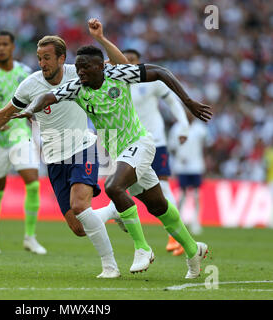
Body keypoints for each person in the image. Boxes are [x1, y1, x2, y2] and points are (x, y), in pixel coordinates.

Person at [13, 45, 212, 279]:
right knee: (159, 206)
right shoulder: (77, 88)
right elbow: (47, 97)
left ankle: (142, 248)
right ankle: (193, 250)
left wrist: (188, 102)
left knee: (113, 187)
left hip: (141, 143)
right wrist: (30, 109)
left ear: (100, 66)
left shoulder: (118, 75)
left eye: (85, 67)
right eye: (78, 68)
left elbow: (160, 72)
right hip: (121, 154)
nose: (80, 72)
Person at [0, 19, 128, 278]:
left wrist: (101, 39)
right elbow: (3, 114)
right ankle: (114, 209)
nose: (42, 63)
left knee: (80, 206)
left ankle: (110, 267)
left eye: (47, 58)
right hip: (54, 158)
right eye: (39, 58)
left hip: (83, 148)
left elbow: (123, 67)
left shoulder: (78, 73)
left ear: (61, 59)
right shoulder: (31, 85)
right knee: (79, 227)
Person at [0, 31, 45, 255]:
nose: (0, 48)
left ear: (13, 47)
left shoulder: (25, 73)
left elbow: (37, 101)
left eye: (4, 44)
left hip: (19, 134)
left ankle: (30, 238)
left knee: (33, 184)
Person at [123, 49, 189, 256]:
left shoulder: (150, 80)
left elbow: (171, 100)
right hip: (130, 143)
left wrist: (184, 124)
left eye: (133, 61)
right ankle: (120, 217)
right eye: (125, 61)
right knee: (123, 186)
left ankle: (175, 235)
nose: (129, 64)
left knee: (163, 184)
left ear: (139, 62)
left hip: (156, 140)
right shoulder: (117, 83)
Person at [168, 111, 209, 235]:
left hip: (196, 166)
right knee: (182, 195)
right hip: (182, 166)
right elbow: (172, 147)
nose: (189, 115)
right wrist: (179, 157)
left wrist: (203, 159)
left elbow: (206, 145)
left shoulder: (200, 129)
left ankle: (196, 221)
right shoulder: (177, 128)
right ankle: (178, 221)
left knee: (196, 195)